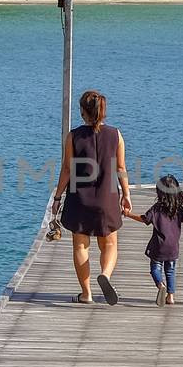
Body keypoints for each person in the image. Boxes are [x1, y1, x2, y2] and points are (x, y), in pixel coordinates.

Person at [52, 90, 131, 305]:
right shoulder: (116, 135)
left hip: (79, 199)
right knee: (110, 244)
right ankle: (105, 274)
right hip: (107, 197)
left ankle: (86, 294)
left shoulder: (74, 136)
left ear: (82, 111)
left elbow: (67, 170)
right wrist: (126, 194)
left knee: (80, 246)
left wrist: (57, 197)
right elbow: (121, 168)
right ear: (103, 111)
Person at [124, 174, 183, 306]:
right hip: (173, 248)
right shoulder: (178, 208)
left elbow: (145, 219)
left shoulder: (157, 208)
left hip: (159, 247)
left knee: (155, 268)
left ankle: (161, 285)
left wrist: (128, 214)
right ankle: (170, 296)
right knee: (170, 270)